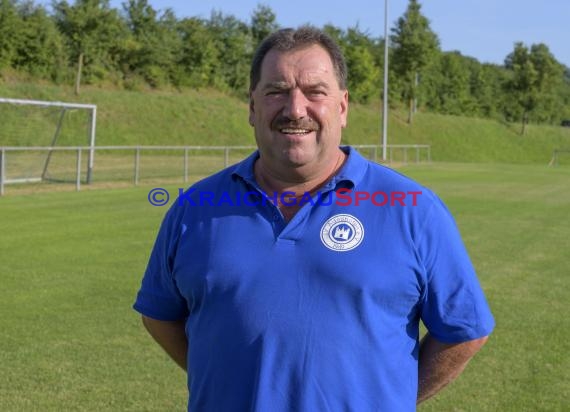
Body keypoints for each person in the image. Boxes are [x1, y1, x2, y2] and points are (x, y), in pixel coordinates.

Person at [133, 26, 494, 411]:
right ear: (252, 107)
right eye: (276, 91)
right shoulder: (194, 208)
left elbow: (463, 331)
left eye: (314, 92)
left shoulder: (414, 209)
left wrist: (392, 398)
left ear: (342, 106)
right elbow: (160, 316)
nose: (295, 109)